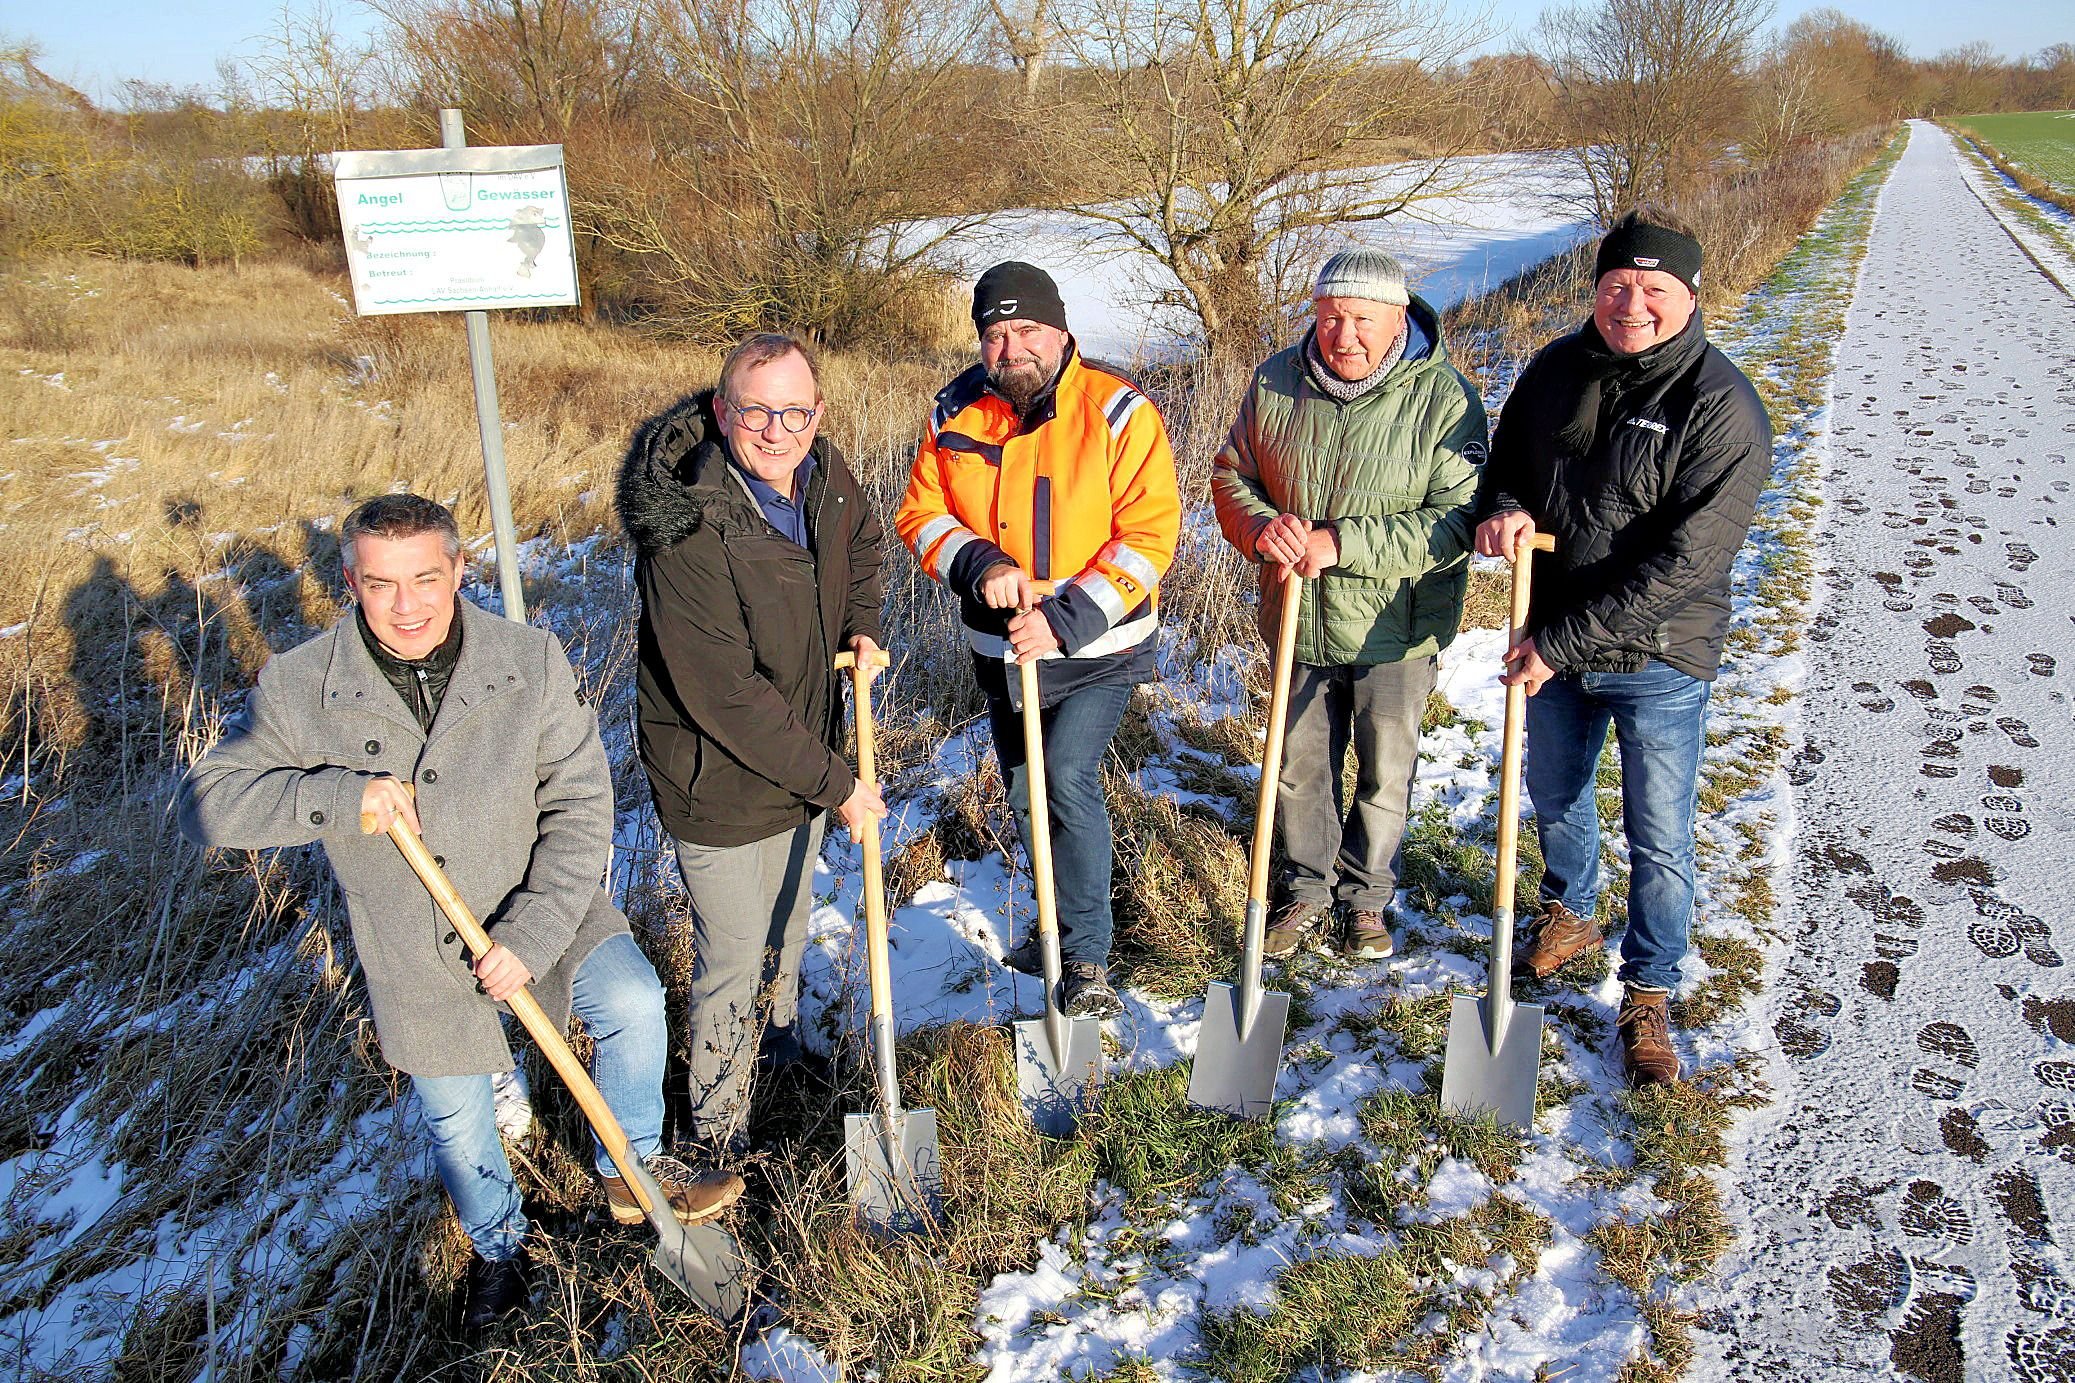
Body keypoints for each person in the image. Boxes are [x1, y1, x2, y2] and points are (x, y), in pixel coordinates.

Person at [178, 494, 742, 1334]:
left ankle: (636, 1171)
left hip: (543, 904)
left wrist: (530, 934)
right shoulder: (302, 684)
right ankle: (500, 1246)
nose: (405, 606)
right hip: (416, 945)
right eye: (379, 584)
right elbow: (208, 804)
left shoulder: (528, 659)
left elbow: (582, 806)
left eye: (425, 579)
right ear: (350, 581)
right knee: (456, 1115)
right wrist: (338, 795)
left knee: (629, 1000)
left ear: (458, 571)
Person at [1473, 206, 1773, 1086]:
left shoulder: (1721, 408)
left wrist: (1557, 642)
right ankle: (1569, 911)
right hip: (1555, 638)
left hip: (1659, 656)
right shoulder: (1554, 369)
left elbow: (1685, 564)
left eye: (1653, 288)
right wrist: (1502, 512)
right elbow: (1505, 468)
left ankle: (1648, 985)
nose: (1630, 304)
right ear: (1595, 289)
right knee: (1556, 796)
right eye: (1615, 286)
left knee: (1660, 832)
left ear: (1688, 295)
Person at [617, 332, 887, 1154]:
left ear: (818, 413)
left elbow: (865, 548)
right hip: (720, 779)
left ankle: (777, 1048)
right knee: (733, 962)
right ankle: (719, 1134)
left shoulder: (827, 479)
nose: (777, 430)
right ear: (720, 411)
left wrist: (861, 628)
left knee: (790, 926)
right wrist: (839, 784)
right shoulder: (690, 527)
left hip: (800, 753)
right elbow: (726, 696)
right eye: (756, 411)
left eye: (795, 411)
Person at [895, 262, 1181, 1019]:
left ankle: (1087, 954)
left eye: (1025, 330)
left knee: (1063, 777)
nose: (1009, 346)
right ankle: (1050, 923)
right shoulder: (952, 412)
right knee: (1023, 792)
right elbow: (920, 515)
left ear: (1058, 331)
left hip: (1098, 648)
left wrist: (1062, 616)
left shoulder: (1119, 411)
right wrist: (978, 560)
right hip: (1000, 652)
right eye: (994, 333)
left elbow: (1149, 536)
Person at [1211, 249, 1487, 962]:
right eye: (1330, 317)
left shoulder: (1446, 398)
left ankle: (1366, 897)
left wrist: (1343, 543)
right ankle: (1306, 889)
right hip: (1297, 612)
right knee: (1298, 764)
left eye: (1361, 318)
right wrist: (1258, 527)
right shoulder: (1275, 380)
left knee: (1383, 767)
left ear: (1398, 319)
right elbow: (1231, 474)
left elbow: (1457, 520)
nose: (1343, 335)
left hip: (1395, 624)